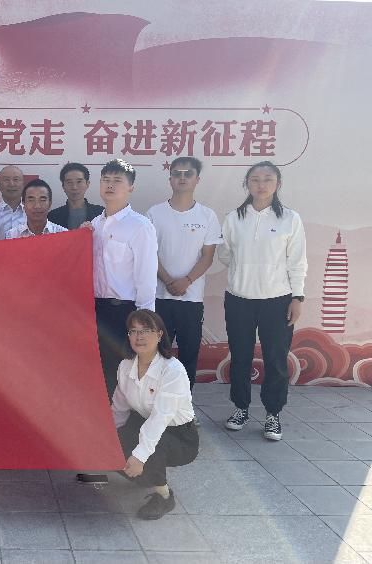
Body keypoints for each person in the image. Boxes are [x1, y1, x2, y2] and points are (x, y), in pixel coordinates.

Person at [77, 158, 157, 484]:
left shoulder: (140, 226)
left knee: (120, 385)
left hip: (124, 314)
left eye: (118, 180)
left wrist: (145, 326)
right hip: (93, 312)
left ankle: (121, 456)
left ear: (131, 187)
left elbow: (146, 278)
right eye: (106, 179)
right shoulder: (93, 225)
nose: (110, 185)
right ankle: (96, 451)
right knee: (95, 384)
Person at [220, 161, 307, 441]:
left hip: (277, 301)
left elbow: (297, 261)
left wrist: (297, 297)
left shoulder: (290, 219)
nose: (261, 184)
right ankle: (240, 408)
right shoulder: (234, 218)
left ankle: (273, 414)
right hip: (239, 299)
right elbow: (225, 253)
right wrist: (244, 271)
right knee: (240, 357)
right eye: (255, 179)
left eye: (267, 179)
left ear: (277, 184)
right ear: (247, 184)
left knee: (275, 359)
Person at [147, 157, 221, 425]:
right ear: (170, 179)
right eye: (176, 173)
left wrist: (187, 280)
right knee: (158, 355)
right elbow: (150, 253)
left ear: (196, 179)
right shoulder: (154, 213)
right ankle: (154, 408)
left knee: (188, 355)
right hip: (160, 297)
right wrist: (168, 280)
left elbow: (207, 256)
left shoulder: (207, 216)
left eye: (187, 174)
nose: (181, 178)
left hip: (191, 299)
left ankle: (183, 410)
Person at [111, 310, 199, 520]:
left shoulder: (172, 370)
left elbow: (160, 419)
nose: (139, 336)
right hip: (146, 424)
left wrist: (139, 457)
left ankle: (164, 496)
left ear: (159, 335)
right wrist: (107, 440)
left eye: (146, 330)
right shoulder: (125, 365)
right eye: (134, 331)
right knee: (116, 443)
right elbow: (119, 409)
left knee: (150, 447)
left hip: (179, 436)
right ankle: (145, 476)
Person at [47, 162, 104, 229]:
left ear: (87, 184)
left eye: (79, 182)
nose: (74, 187)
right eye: (69, 182)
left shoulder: (101, 213)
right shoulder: (52, 216)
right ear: (63, 186)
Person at [0, 165, 26, 233]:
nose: (11, 184)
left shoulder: (34, 213)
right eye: (6, 180)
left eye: (16, 179)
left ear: (23, 183)